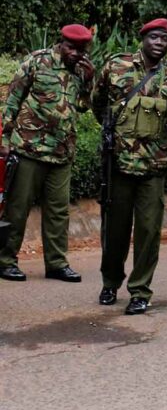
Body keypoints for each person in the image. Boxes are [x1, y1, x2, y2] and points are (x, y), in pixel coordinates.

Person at [91, 18, 167, 314]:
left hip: (153, 169)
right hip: (118, 166)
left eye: (165, 39)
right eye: (155, 38)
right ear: (143, 38)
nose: (160, 43)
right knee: (115, 230)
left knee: (149, 232)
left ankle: (140, 291)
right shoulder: (116, 66)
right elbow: (98, 104)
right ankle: (110, 283)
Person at [0, 24, 95, 282]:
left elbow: (84, 107)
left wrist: (88, 81)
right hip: (29, 148)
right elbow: (12, 99)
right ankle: (5, 260)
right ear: (61, 43)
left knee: (58, 211)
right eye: (71, 48)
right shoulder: (37, 61)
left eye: (81, 49)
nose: (75, 53)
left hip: (62, 152)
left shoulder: (81, 71)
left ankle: (56, 263)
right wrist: (5, 138)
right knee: (17, 209)